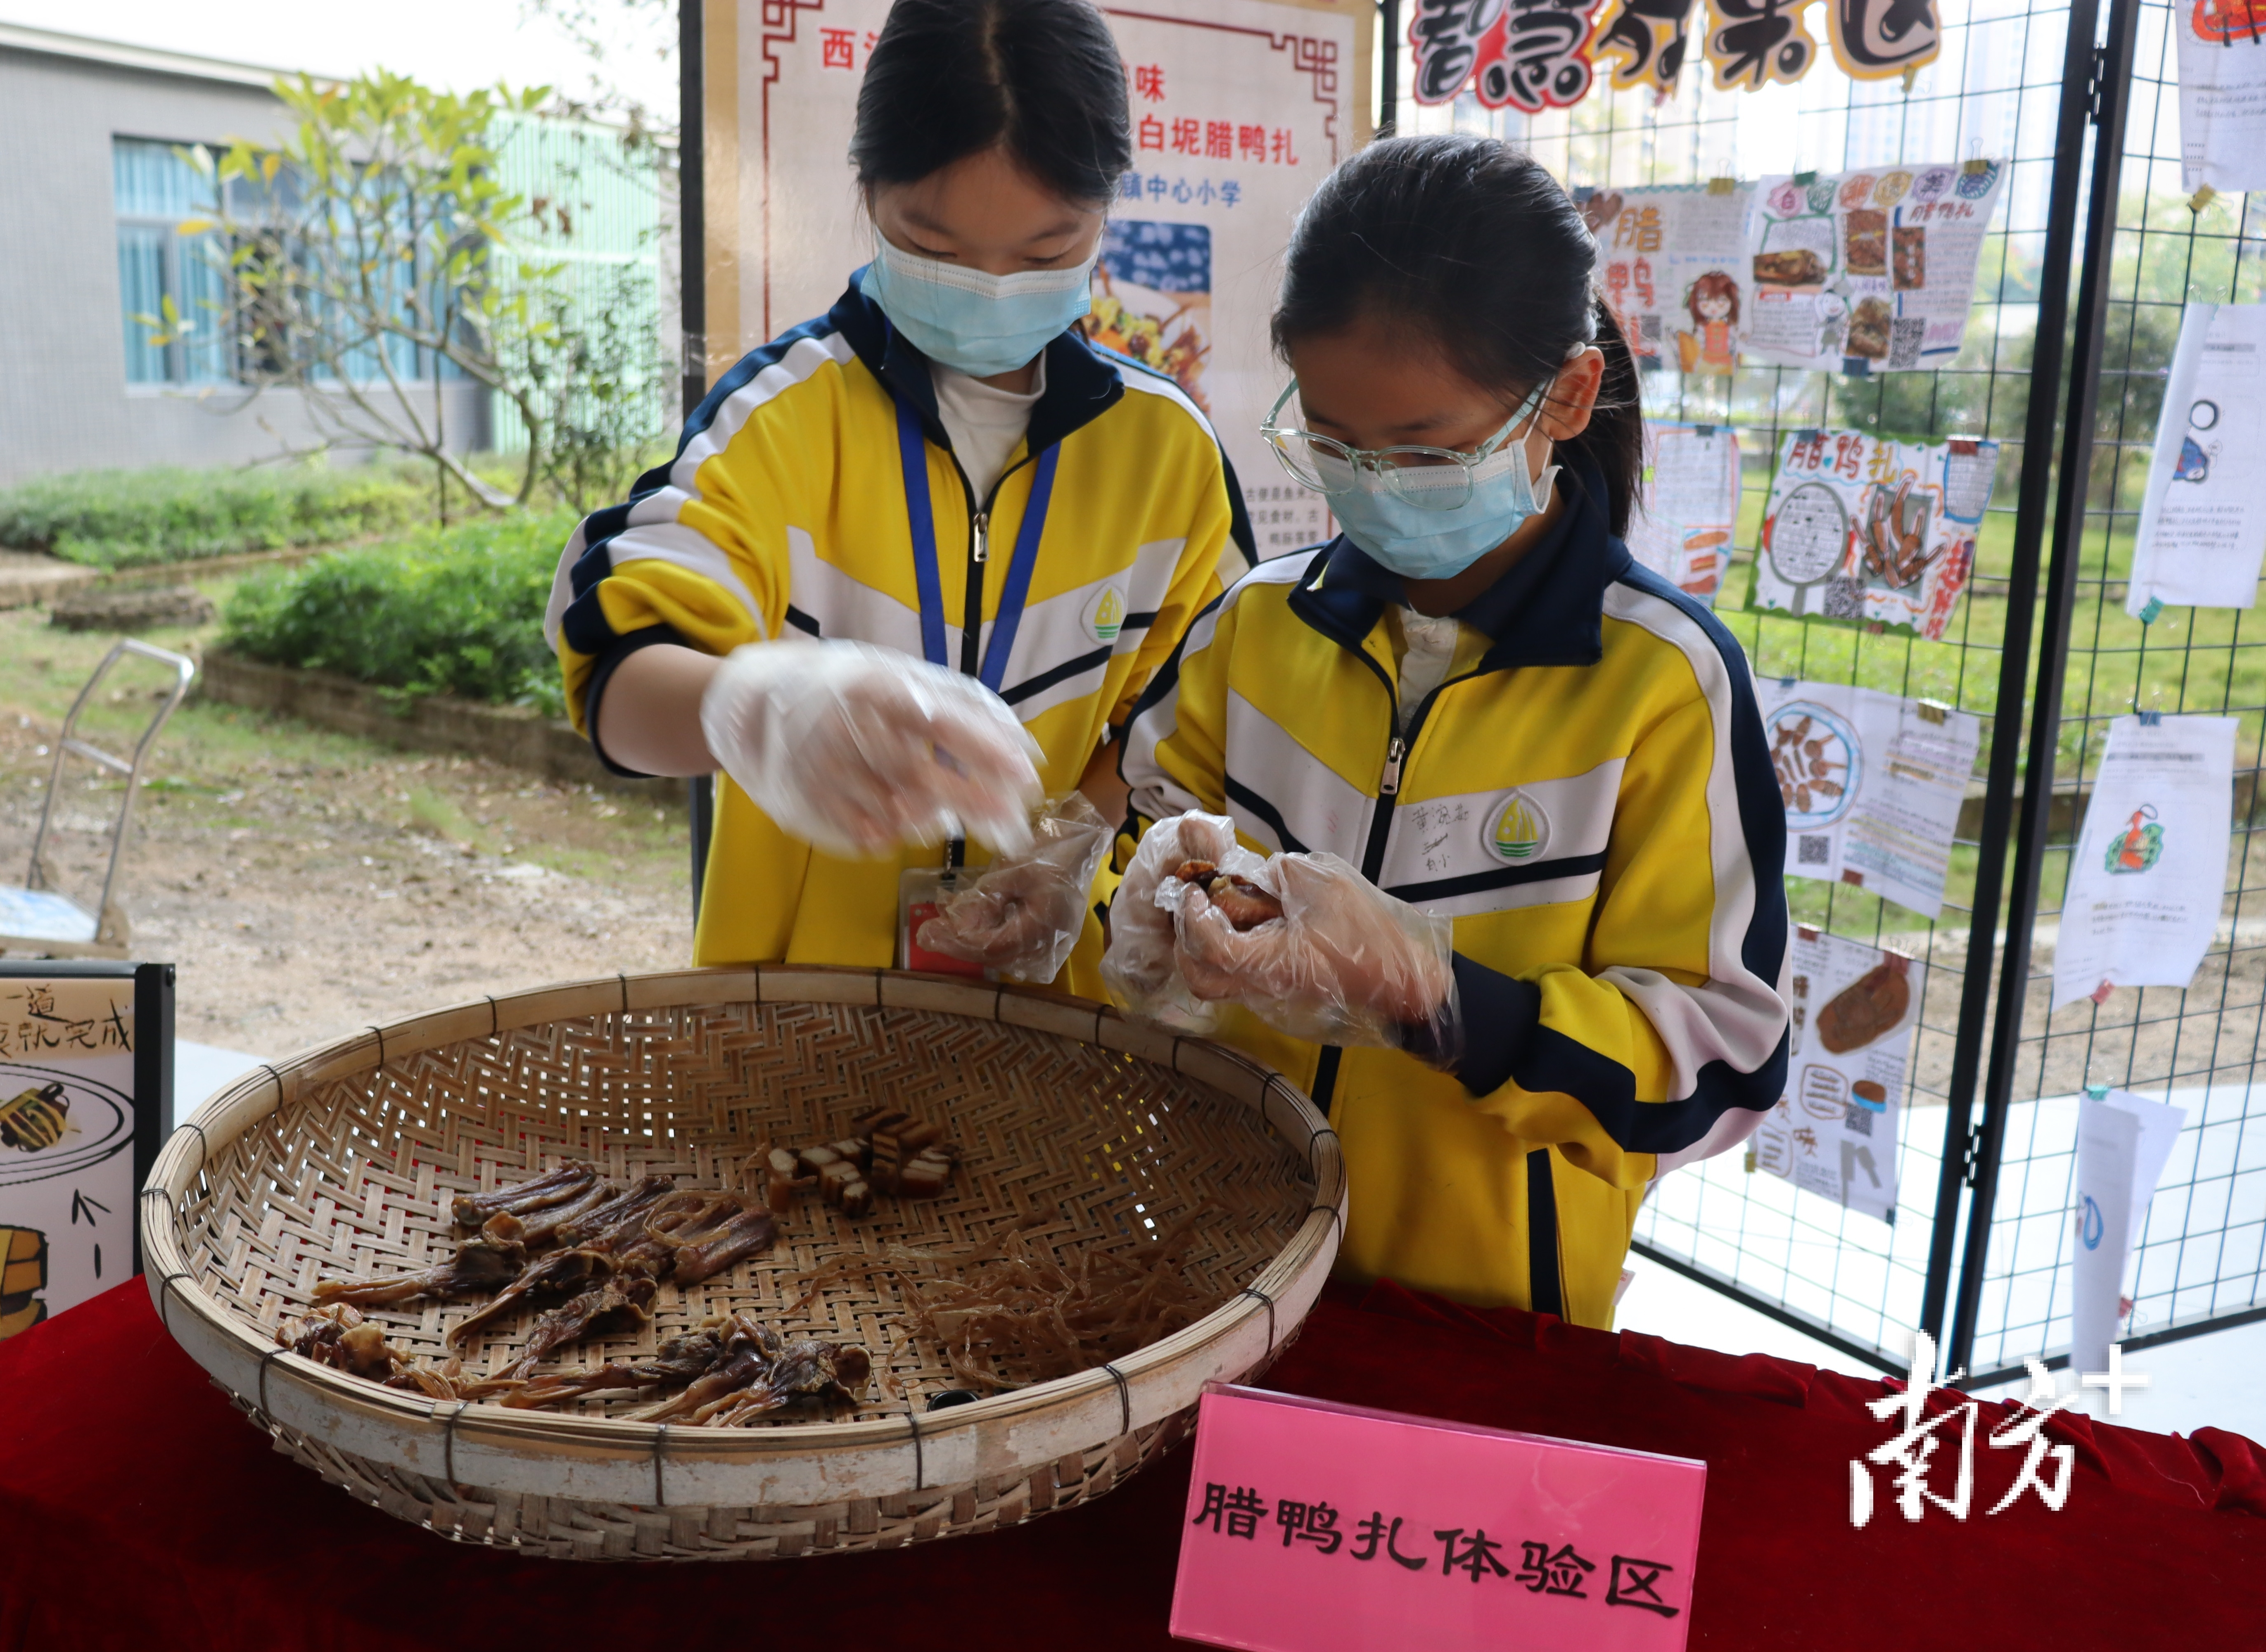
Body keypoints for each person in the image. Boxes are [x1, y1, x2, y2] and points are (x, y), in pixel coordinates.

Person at [1106, 135, 1788, 1329]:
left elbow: (1720, 1071)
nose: (1372, 488)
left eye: (1423, 453)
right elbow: (1149, 837)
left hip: (1486, 1318)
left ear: (1567, 398)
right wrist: (1146, 903)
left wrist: (1441, 999)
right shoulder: (1256, 628)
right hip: (1222, 1275)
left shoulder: (1658, 686)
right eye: (1334, 442)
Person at [546, 0, 1249, 988]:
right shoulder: (780, 417)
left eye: (1048, 253)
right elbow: (618, 668)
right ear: (867, 191)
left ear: (1107, 212)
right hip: (800, 1012)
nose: (995, 287)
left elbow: (1189, 712)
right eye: (937, 246)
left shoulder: (1166, 449)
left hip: (1052, 1014)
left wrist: (1068, 849)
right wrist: (747, 707)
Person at [1675, 270, 1740, 373]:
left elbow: (1735, 343)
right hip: (1706, 361)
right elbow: (1698, 342)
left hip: (1727, 363)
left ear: (1732, 302)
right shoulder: (1702, 327)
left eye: (1721, 300)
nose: (1713, 307)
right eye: (1705, 300)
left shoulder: (1730, 327)